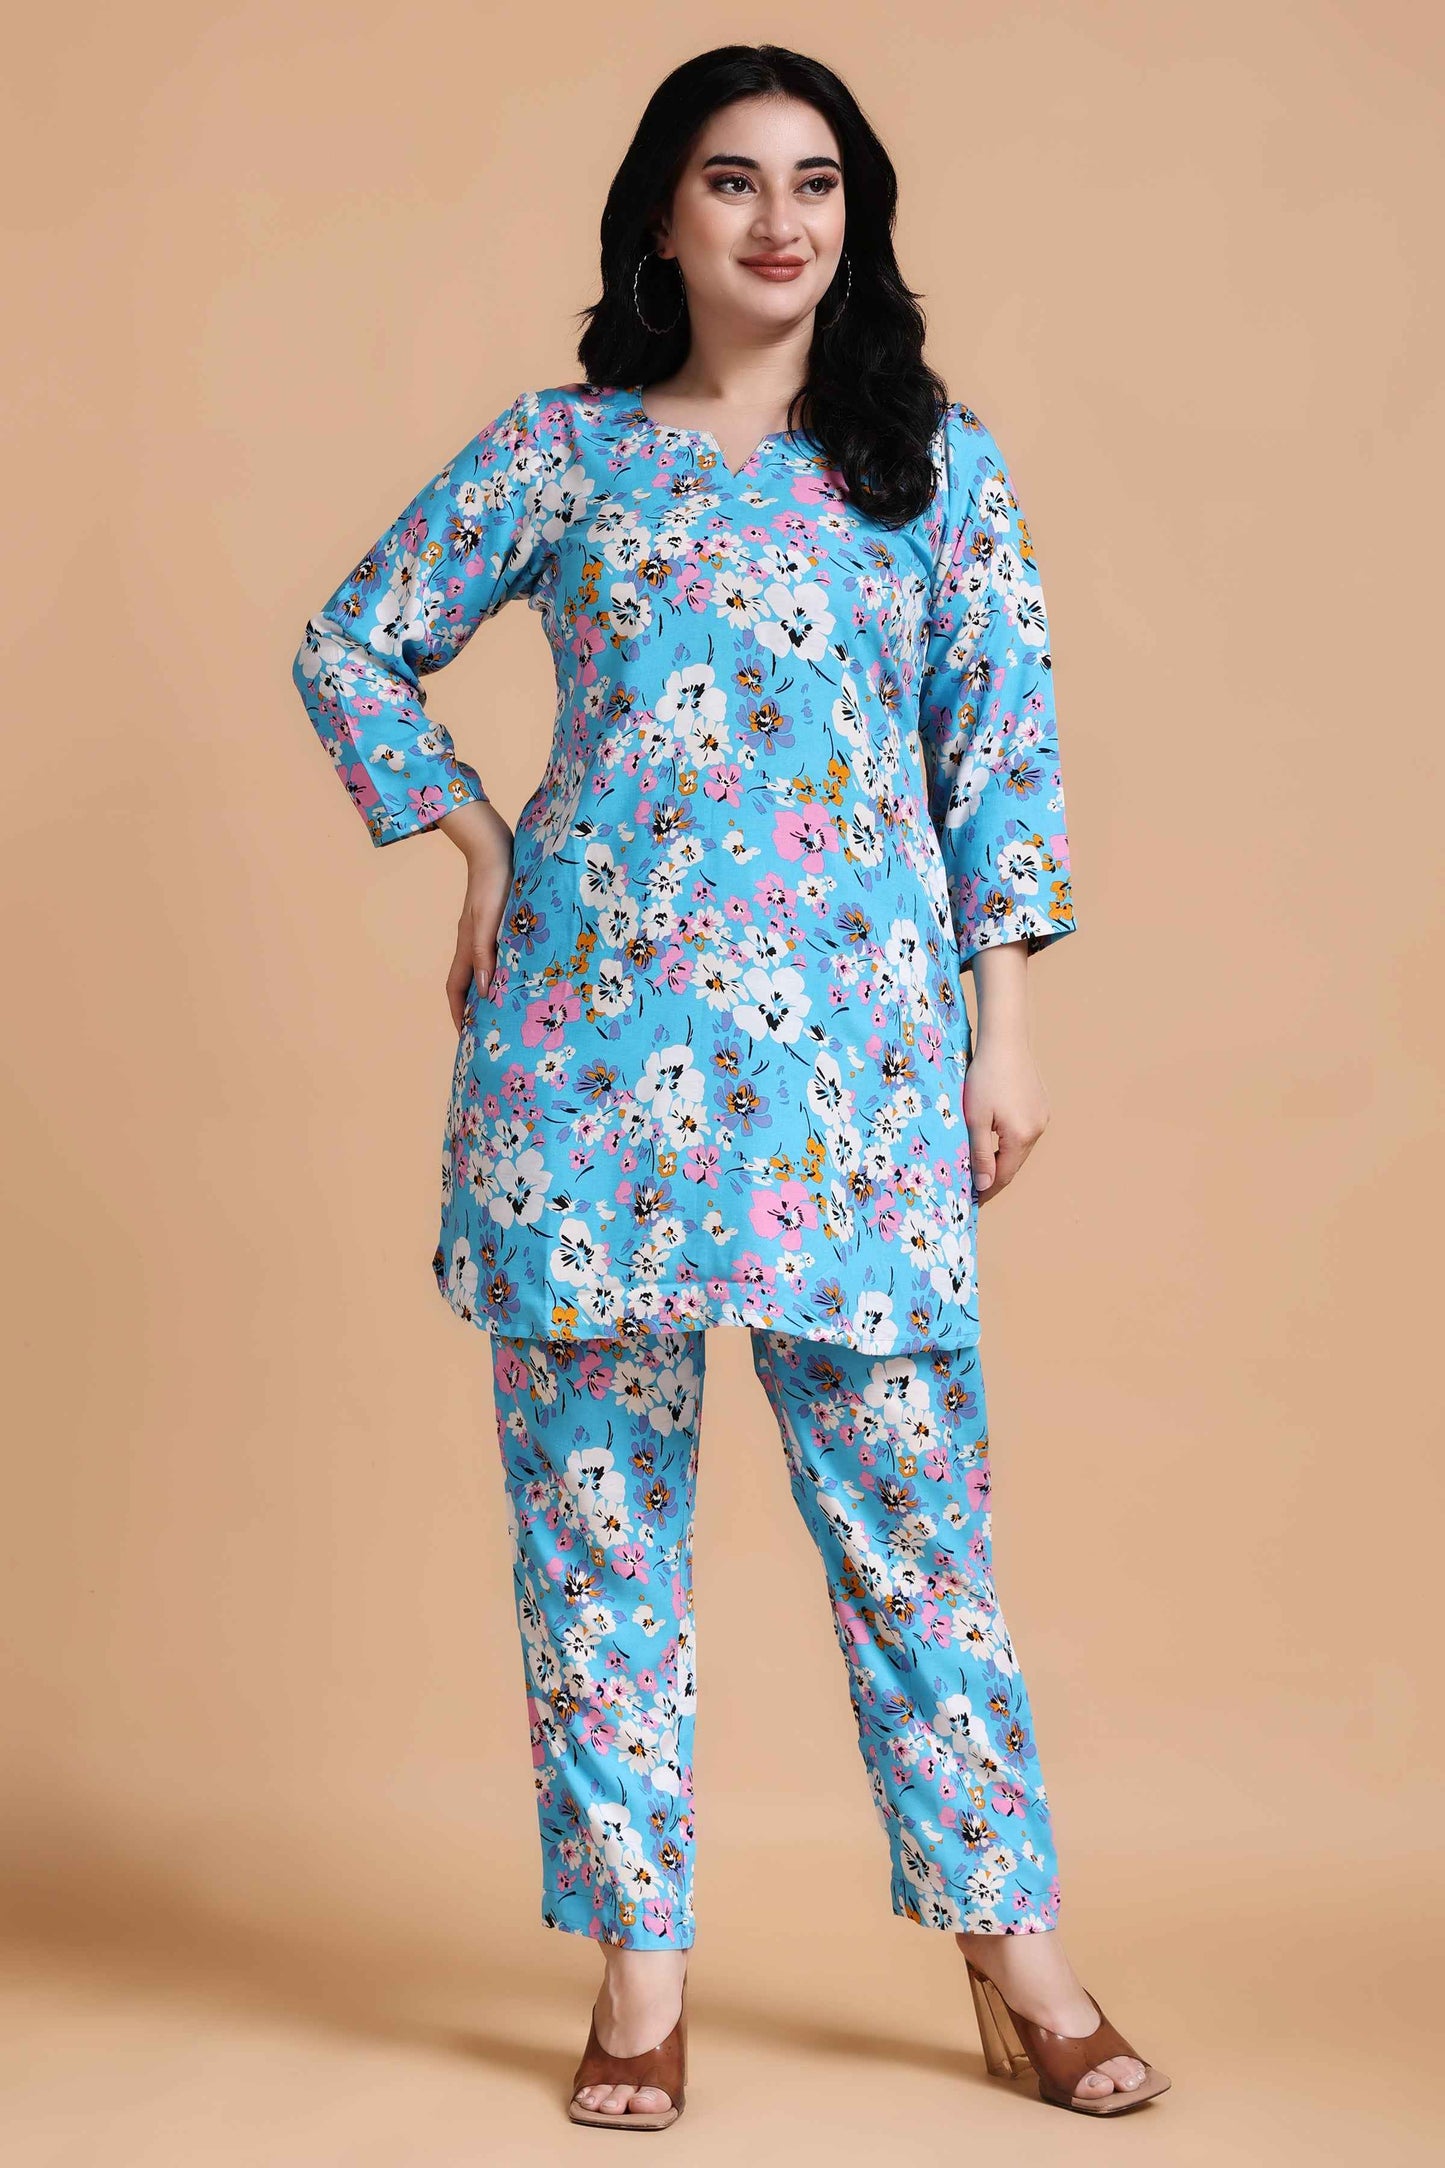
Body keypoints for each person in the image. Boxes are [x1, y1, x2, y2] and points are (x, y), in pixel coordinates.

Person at [291, 40, 1170, 2130]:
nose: (780, 220)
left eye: (816, 182)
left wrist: (1006, 1025)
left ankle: (1016, 1954)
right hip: (583, 1078)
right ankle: (638, 1976)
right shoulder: (565, 452)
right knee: (596, 1543)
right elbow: (352, 641)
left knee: (916, 1539)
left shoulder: (930, 465)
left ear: (856, 218)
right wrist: (473, 839)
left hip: (854, 1091)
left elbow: (1000, 762)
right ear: (661, 218)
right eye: (732, 179)